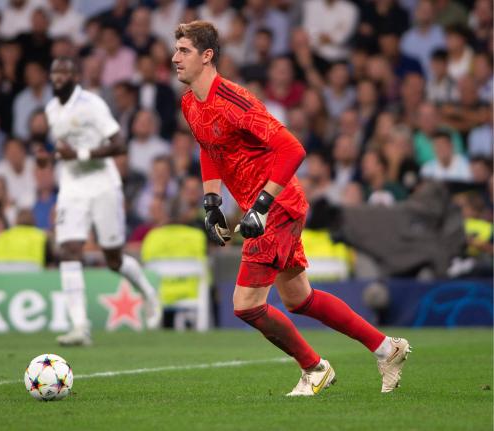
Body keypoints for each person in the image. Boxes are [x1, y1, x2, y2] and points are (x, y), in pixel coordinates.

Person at [172, 21, 411, 396]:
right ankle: (387, 348)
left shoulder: (236, 101)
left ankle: (314, 368)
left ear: (207, 56)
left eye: (184, 50)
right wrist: (212, 202)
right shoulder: (190, 103)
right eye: (176, 50)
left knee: (246, 305)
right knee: (299, 299)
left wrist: (262, 208)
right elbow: (209, 146)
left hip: (277, 204)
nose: (174, 58)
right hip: (261, 205)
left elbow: (292, 149)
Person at [45, 57, 161, 346]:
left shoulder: (92, 105)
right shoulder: (51, 109)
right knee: (69, 249)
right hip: (72, 187)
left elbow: (119, 143)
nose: (58, 77)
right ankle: (80, 326)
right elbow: (64, 148)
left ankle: (147, 290)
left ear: (75, 76)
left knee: (113, 258)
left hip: (103, 185)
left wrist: (81, 155)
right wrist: (49, 157)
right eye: (55, 72)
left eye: (64, 71)